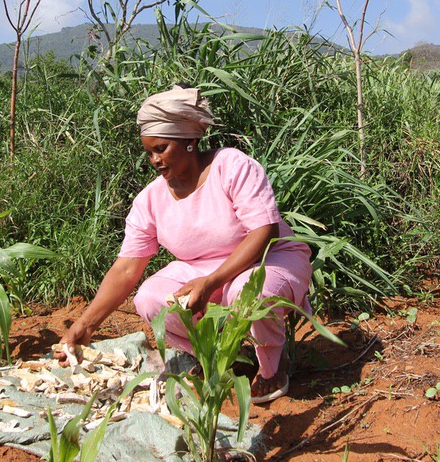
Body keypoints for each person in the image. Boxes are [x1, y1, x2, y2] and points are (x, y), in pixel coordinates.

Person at [57, 84, 312, 404]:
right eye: (149, 151)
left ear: (190, 140)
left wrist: (210, 282)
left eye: (161, 148)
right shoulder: (150, 199)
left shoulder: (231, 166)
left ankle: (273, 365)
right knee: (150, 298)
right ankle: (220, 355)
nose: (154, 159)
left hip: (268, 259)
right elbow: (125, 269)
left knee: (247, 291)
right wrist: (86, 324)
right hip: (204, 271)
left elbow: (264, 230)